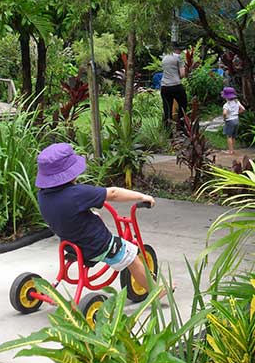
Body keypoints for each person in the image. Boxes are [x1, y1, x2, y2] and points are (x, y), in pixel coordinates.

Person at [35, 142, 163, 295]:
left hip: (70, 243)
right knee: (131, 257)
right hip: (97, 246)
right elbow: (113, 193)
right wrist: (142, 196)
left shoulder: (43, 196)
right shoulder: (78, 194)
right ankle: (156, 291)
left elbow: (66, 212)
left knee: (95, 214)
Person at [160, 42, 187, 131]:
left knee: (167, 108)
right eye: (180, 50)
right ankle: (181, 128)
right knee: (183, 105)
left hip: (164, 86)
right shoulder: (178, 58)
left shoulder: (164, 57)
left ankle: (167, 132)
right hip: (176, 86)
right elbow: (182, 74)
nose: (181, 52)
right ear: (177, 49)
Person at [222, 86, 245, 155]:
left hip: (230, 121)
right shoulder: (237, 102)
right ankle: (233, 149)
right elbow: (243, 109)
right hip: (236, 120)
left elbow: (224, 113)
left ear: (226, 96)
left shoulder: (226, 105)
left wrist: (225, 118)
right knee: (233, 136)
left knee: (229, 136)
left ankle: (230, 151)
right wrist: (237, 113)